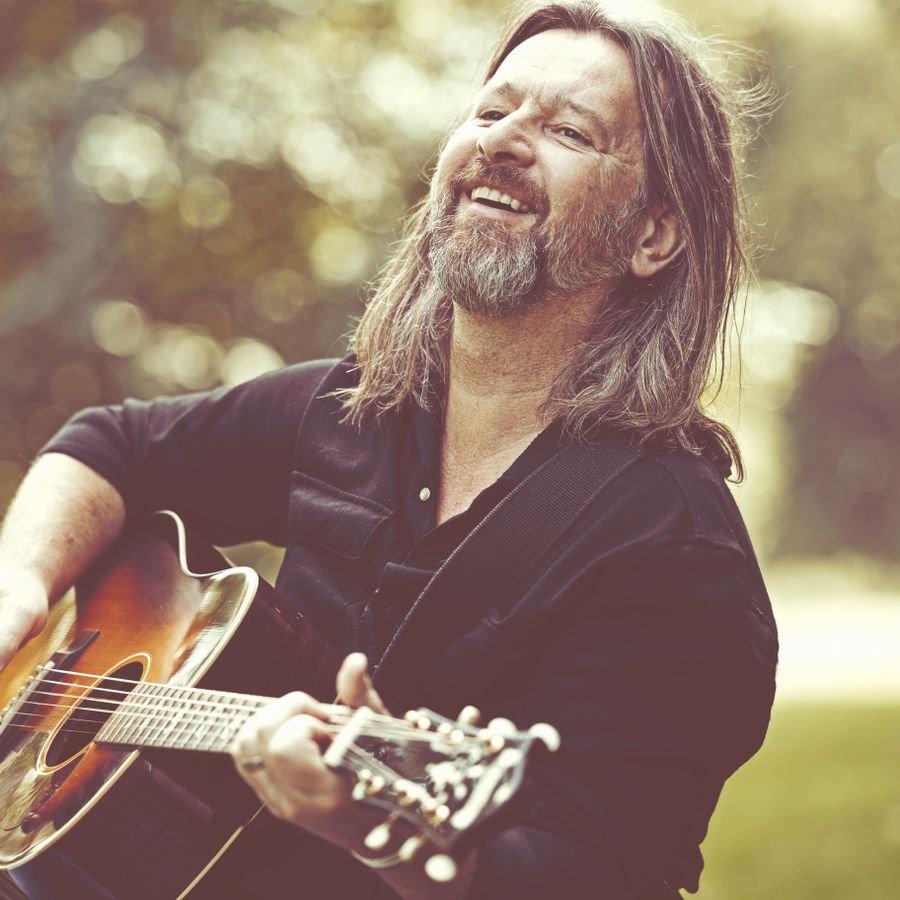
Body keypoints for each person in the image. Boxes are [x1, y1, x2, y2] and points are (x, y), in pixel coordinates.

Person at [0, 1, 778, 898]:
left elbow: (591, 873)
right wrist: (22, 585)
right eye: (491, 111)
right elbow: (110, 447)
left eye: (569, 130)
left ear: (652, 236)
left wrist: (371, 823)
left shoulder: (675, 553)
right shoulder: (351, 408)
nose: (502, 140)